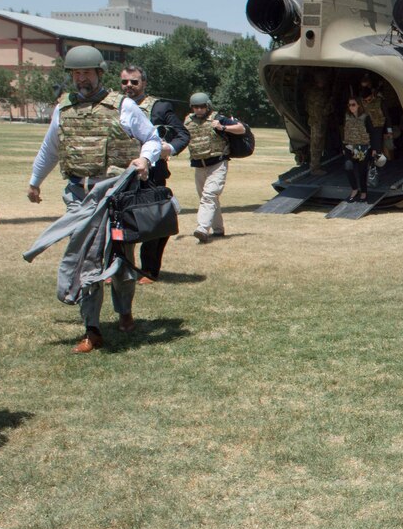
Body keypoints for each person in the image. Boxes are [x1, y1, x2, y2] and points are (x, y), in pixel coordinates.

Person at [26, 45, 161, 353]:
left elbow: (152, 139)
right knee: (86, 259)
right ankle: (92, 329)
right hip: (79, 196)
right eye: (76, 73)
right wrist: (35, 182)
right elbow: (50, 149)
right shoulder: (63, 109)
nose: (81, 78)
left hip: (116, 197)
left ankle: (124, 310)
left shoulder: (123, 106)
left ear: (100, 73)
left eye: (86, 72)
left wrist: (144, 159)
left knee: (122, 258)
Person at [119, 65, 189, 282]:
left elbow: (182, 135)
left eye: (134, 82)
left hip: (152, 175)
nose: (129, 86)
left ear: (144, 83)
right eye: (125, 82)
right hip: (122, 174)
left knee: (155, 221)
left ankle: (149, 269)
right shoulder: (114, 106)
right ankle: (119, 267)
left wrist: (168, 148)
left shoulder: (159, 107)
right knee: (118, 222)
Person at [184, 93, 245, 243]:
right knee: (209, 198)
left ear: (208, 106)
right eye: (195, 107)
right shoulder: (188, 121)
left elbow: (241, 129)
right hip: (199, 165)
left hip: (217, 163)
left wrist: (222, 127)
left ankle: (202, 229)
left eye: (202, 106)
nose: (199, 109)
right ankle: (218, 230)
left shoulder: (218, 118)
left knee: (209, 195)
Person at [341, 96, 375, 203]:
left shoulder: (365, 117)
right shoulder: (346, 117)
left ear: (358, 105)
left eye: (353, 104)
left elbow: (372, 133)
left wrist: (374, 149)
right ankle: (355, 189)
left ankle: (364, 192)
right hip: (349, 147)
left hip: (362, 148)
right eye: (349, 105)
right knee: (348, 167)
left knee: (362, 171)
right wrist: (343, 147)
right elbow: (344, 132)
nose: (351, 107)